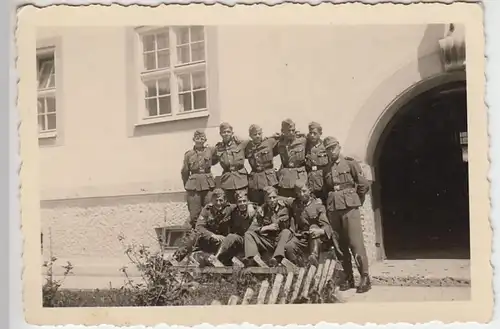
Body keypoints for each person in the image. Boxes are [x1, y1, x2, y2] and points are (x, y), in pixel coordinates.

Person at [322, 136, 372, 293]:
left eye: (333, 147)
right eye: (328, 149)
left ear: (339, 147)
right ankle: (348, 277)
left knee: (355, 243)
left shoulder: (350, 163)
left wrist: (356, 200)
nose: (331, 151)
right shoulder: (326, 169)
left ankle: (365, 277)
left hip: (350, 208)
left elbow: (363, 184)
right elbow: (326, 190)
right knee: (339, 245)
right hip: (334, 210)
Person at [171, 188, 236, 263]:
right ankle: (176, 259)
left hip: (223, 242)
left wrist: (250, 206)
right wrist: (212, 235)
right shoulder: (207, 209)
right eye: (216, 200)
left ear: (225, 201)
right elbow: (199, 227)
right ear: (212, 200)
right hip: (208, 240)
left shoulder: (230, 208)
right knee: (193, 235)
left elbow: (243, 205)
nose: (218, 203)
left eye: (221, 200)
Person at [283, 181, 336, 266]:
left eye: (304, 191)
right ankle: (298, 267)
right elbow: (278, 198)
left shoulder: (318, 206)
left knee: (313, 226)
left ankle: (313, 257)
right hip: (302, 237)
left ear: (309, 190)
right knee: (289, 246)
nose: (301, 194)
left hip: (316, 239)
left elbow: (327, 226)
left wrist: (321, 231)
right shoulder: (294, 204)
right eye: (298, 192)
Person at [243, 186, 293, 267]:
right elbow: (252, 228)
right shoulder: (262, 210)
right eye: (269, 198)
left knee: (286, 232)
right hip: (267, 240)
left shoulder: (284, 208)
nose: (272, 200)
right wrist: (265, 228)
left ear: (278, 197)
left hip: (280, 240)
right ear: (266, 200)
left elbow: (276, 226)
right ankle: (253, 258)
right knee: (248, 234)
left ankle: (277, 258)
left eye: (274, 197)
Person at [212, 190, 262, 264]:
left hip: (255, 240)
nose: (242, 204)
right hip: (242, 240)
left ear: (248, 201)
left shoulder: (255, 209)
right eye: (240, 201)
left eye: (244, 201)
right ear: (236, 203)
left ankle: (253, 259)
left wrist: (251, 205)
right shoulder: (234, 212)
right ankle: (216, 257)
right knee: (231, 236)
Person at [181, 130, 218, 228]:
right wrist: (188, 185)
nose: (200, 141)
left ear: (205, 140)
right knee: (194, 214)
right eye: (197, 139)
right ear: (193, 140)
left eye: (202, 139)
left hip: (208, 184)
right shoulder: (189, 154)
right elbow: (184, 172)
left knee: (210, 210)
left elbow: (219, 155)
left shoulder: (211, 151)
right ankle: (197, 236)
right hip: (193, 186)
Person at [244, 124, 280, 205]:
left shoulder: (270, 142)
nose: (257, 136)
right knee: (257, 203)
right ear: (250, 135)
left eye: (259, 134)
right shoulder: (247, 146)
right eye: (255, 134)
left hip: (269, 179)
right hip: (255, 181)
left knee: (272, 201)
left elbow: (282, 140)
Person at [214, 122, 248, 204]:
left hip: (241, 179)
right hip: (227, 181)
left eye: (228, 132)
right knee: (230, 205)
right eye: (224, 132)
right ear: (220, 134)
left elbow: (255, 141)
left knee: (243, 203)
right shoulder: (218, 147)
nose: (226, 134)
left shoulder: (240, 143)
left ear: (232, 133)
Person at [276, 119, 308, 198]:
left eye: (293, 130)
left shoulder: (303, 141)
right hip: (285, 179)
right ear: (282, 131)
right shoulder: (280, 143)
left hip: (299, 177)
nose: (291, 133)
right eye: (288, 131)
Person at [305, 122, 329, 203]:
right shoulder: (305, 146)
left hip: (323, 182)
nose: (312, 135)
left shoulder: (325, 147)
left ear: (320, 134)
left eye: (315, 133)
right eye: (310, 133)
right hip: (310, 181)